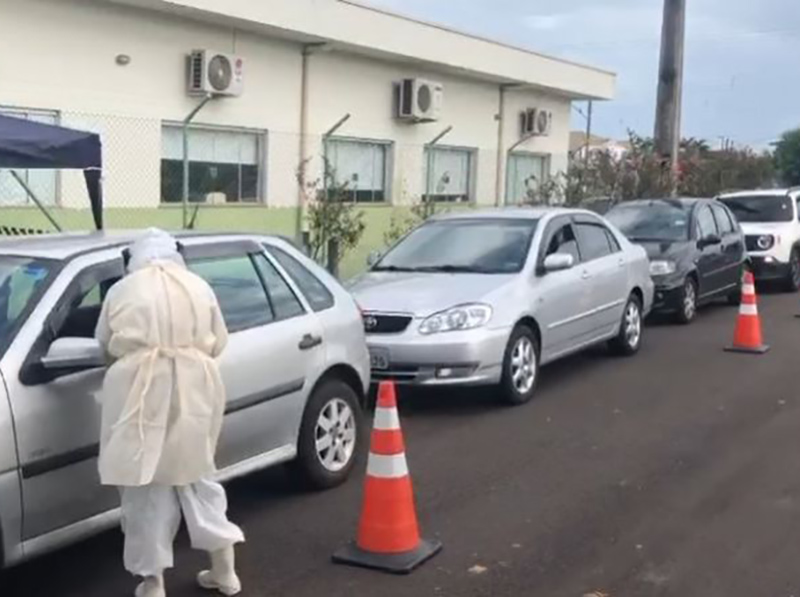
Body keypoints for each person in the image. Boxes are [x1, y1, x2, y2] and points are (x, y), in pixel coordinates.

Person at [95, 229, 244, 597]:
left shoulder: (121, 290)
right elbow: (219, 341)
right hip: (196, 391)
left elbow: (103, 344)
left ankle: (152, 583)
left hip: (138, 394)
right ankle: (225, 572)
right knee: (199, 476)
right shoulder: (199, 286)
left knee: (144, 486)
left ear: (135, 257)